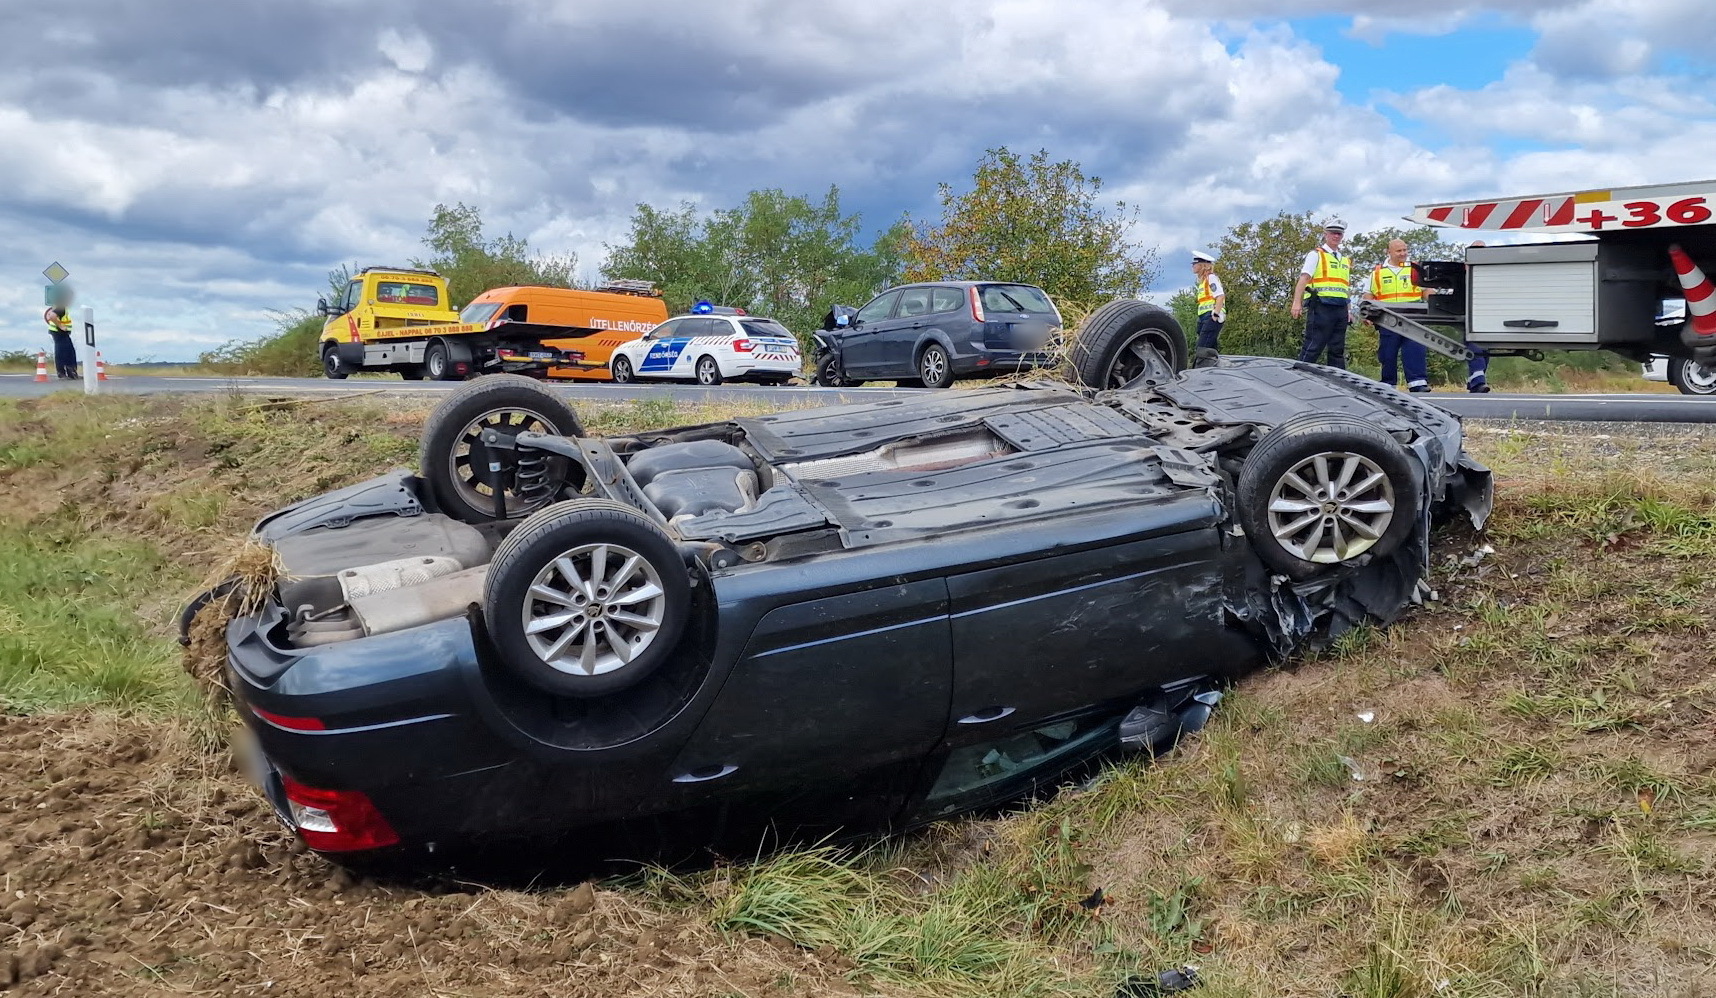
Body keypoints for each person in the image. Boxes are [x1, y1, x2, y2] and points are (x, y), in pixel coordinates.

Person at [1366, 238, 1430, 392]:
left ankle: (1418, 383)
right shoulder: (1377, 272)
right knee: (1387, 352)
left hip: (1413, 315)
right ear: (1389, 252)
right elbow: (1368, 295)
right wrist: (1367, 315)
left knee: (1415, 349)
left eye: (1405, 250)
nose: (1403, 253)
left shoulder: (1415, 269)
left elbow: (1427, 291)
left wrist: (1436, 305)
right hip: (1387, 316)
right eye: (1399, 251)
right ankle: (1388, 385)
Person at [1289, 217, 1352, 368]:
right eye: (1333, 233)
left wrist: (1349, 310)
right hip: (1321, 306)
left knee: (1337, 349)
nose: (1336, 236)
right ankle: (1300, 377)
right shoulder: (1316, 255)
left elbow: (1346, 287)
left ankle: (1338, 382)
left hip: (1340, 308)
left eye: (1339, 233)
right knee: (1313, 345)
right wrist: (1296, 303)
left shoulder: (1344, 260)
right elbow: (1303, 279)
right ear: (1325, 234)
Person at [1463, 241, 1491, 393]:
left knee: (1485, 351)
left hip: (1488, 317)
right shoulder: (1464, 274)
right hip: (1470, 317)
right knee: (1476, 347)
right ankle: (1478, 382)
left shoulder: (1491, 273)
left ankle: (1474, 382)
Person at [1191, 251, 1225, 366]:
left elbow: (1220, 296)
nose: (1192, 266)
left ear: (1202, 265)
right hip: (1203, 317)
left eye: (1195, 264)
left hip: (1211, 316)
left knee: (1202, 349)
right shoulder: (1203, 281)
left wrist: (1215, 315)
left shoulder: (1211, 278)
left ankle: (1197, 373)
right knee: (1210, 348)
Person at [43, 293, 78, 380]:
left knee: (69, 352)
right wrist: (61, 326)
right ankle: (63, 373)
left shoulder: (60, 307)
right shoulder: (61, 307)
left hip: (59, 333)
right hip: (59, 333)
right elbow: (52, 316)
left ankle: (71, 373)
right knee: (64, 353)